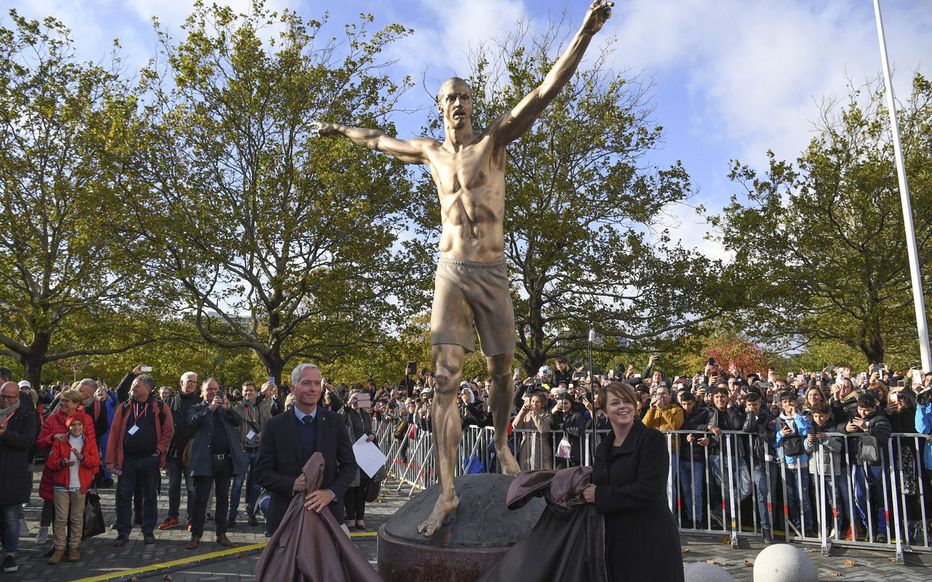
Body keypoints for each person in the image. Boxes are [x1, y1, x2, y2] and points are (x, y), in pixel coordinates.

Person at [311, 0, 613, 536]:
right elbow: (378, 140)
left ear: (474, 106)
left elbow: (545, 91)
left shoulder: (493, 140)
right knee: (445, 379)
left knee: (502, 373)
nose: (459, 105)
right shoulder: (430, 152)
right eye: (450, 98)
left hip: (493, 272)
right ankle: (447, 490)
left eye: (466, 98)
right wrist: (336, 127)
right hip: (451, 270)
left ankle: (500, 441)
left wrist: (585, 32)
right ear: (439, 107)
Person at [581, 381, 684, 581]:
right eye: (615, 402)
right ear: (604, 410)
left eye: (627, 401)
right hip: (616, 540)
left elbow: (649, 490)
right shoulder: (604, 447)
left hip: (649, 538)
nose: (622, 406)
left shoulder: (651, 440)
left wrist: (600, 495)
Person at [254, 363, 356, 535]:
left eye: (317, 383)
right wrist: (291, 484)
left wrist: (330, 493)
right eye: (307, 383)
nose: (313, 389)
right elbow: (261, 472)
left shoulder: (335, 422)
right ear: (294, 388)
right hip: (285, 518)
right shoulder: (274, 426)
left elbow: (350, 466)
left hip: (328, 515)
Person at [106, 373, 174, 546]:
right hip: (127, 460)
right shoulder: (125, 406)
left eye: (137, 385)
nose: (133, 388)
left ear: (148, 389)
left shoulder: (159, 406)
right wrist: (110, 460)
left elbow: (168, 431)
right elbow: (114, 434)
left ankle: (148, 531)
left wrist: (159, 450)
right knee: (123, 497)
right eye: (134, 385)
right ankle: (123, 532)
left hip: (149, 460)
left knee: (150, 497)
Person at [185, 378, 247, 549]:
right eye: (209, 389)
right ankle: (196, 535)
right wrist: (210, 408)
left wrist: (228, 409)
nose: (213, 392)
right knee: (200, 499)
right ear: (202, 392)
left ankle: (222, 533)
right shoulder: (197, 408)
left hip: (225, 461)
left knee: (222, 498)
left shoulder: (224, 409)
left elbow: (238, 422)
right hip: (204, 462)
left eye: (215, 389)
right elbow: (191, 422)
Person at [35, 389, 98, 546]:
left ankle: (73, 544)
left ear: (76, 404)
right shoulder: (52, 419)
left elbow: (91, 445)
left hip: (78, 471)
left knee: (75, 513)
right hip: (56, 471)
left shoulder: (86, 420)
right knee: (58, 512)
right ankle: (58, 545)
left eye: (66, 401)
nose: (61, 404)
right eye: (61, 400)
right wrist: (52, 437)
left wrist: (92, 472)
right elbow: (39, 443)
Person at [46, 417, 100, 564]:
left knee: (76, 518)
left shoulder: (89, 441)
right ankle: (59, 548)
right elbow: (50, 463)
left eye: (79, 424)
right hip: (61, 485)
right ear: (68, 427)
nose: (76, 427)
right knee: (61, 518)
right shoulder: (60, 441)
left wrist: (82, 458)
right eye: (73, 425)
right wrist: (62, 462)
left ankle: (74, 547)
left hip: (79, 484)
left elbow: (96, 461)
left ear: (83, 426)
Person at [0, 381, 38, 573]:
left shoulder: (27, 415)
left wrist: (6, 434)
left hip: (14, 474)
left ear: (18, 397)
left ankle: (10, 555)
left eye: (10, 397)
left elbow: (28, 442)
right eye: (3, 396)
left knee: (10, 516)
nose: (6, 401)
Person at [161, 371, 201, 531]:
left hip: (192, 452)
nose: (191, 384)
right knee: (173, 486)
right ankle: (173, 517)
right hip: (173, 452)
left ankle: (192, 518)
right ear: (181, 382)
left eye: (194, 382)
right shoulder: (169, 402)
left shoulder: (200, 403)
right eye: (188, 381)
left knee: (192, 487)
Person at [230, 381, 271, 528]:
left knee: (256, 485)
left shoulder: (263, 406)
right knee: (237, 485)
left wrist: (263, 433)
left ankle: (251, 512)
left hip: (258, 450)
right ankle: (232, 514)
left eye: (251, 391)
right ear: (242, 392)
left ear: (255, 392)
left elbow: (269, 424)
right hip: (243, 451)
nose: (248, 393)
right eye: (246, 391)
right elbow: (233, 430)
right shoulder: (237, 409)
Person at [342, 390, 375, 530]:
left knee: (361, 487)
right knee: (350, 487)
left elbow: (370, 430)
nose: (356, 400)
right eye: (354, 397)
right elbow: (339, 418)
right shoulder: (347, 413)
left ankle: (360, 517)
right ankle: (351, 518)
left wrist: (372, 435)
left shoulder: (366, 415)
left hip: (364, 454)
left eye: (358, 398)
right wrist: (349, 404)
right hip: (350, 454)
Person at [513, 392, 553, 471]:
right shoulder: (525, 415)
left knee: (542, 472)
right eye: (533, 401)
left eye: (537, 401)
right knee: (525, 471)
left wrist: (534, 414)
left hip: (541, 447)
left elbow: (543, 429)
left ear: (542, 403)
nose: (534, 404)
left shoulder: (547, 416)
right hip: (526, 447)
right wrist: (522, 411)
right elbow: (515, 426)